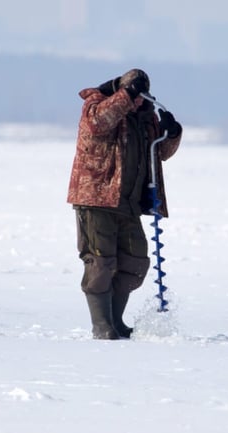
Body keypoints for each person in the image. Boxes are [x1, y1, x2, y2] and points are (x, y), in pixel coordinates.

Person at [66, 68, 183, 340]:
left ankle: (115, 320)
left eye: (144, 95)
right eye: (136, 94)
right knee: (100, 262)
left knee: (135, 261)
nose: (141, 101)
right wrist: (125, 97)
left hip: (128, 202)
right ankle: (102, 324)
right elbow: (96, 124)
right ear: (124, 90)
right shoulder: (95, 105)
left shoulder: (144, 117)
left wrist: (172, 133)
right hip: (96, 197)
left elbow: (161, 152)